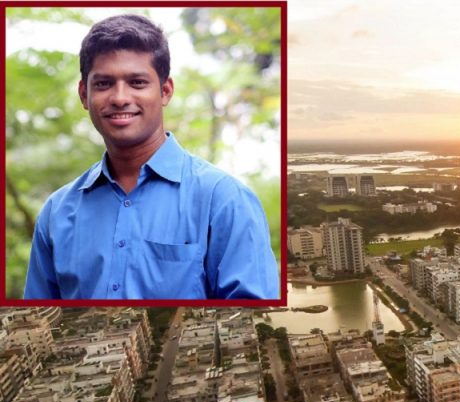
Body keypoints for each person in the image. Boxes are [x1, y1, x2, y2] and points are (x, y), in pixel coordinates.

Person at [24, 14, 279, 299]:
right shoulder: (57, 212)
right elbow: (38, 318)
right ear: (84, 94)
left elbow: (254, 319)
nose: (120, 98)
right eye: (104, 84)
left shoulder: (224, 200)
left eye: (137, 82)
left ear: (165, 91)